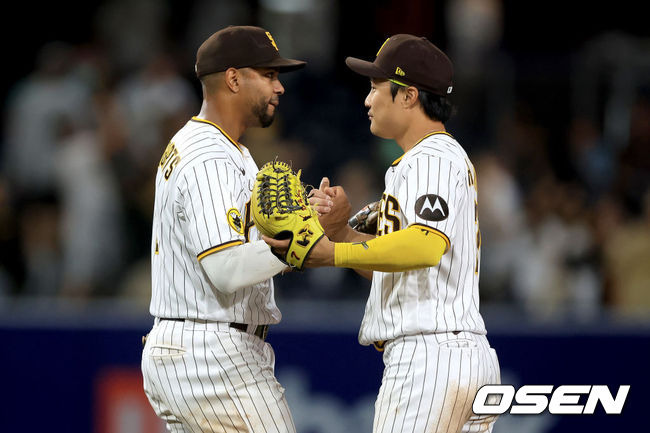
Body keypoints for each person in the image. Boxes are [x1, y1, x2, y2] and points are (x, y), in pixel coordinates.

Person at [266, 34, 501, 432]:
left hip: (429, 358)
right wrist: (340, 232)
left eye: (376, 87)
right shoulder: (423, 160)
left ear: (409, 96)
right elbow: (396, 264)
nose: (367, 99)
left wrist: (332, 255)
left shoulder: (432, 156)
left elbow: (426, 246)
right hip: (451, 353)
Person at [141, 25, 305, 433]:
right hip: (213, 354)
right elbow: (226, 269)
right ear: (233, 79)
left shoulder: (218, 147)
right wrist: (303, 239)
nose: (279, 87)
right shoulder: (210, 157)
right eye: (268, 75)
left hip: (196, 343)